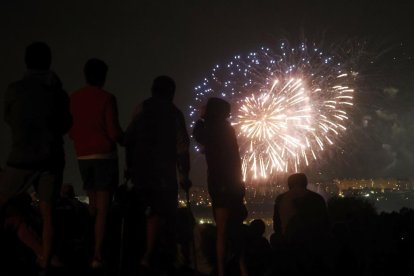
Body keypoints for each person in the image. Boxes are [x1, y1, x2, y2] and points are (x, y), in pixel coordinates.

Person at [0, 42, 72, 269]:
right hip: (50, 157)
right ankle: (46, 263)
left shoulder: (14, 89)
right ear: (49, 62)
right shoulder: (57, 92)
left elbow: (9, 118)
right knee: (48, 215)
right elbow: (66, 123)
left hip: (20, 156)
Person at [124, 75, 191, 272]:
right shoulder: (175, 113)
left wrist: (129, 166)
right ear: (171, 93)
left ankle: (140, 255)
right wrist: (184, 175)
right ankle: (159, 257)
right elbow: (182, 148)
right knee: (166, 215)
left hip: (141, 172)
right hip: (164, 175)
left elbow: (129, 139)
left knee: (143, 213)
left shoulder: (141, 108)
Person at [69, 58, 123, 268]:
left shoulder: (74, 98)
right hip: (104, 157)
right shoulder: (107, 98)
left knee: (92, 205)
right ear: (103, 76)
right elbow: (113, 131)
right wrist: (126, 140)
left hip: (82, 156)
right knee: (103, 208)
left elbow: (71, 131)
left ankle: (85, 242)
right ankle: (97, 254)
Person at [193, 97, 248, 276]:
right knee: (236, 228)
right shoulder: (227, 129)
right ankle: (242, 268)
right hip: (234, 183)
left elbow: (198, 135)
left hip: (220, 183)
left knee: (222, 230)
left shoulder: (209, 127)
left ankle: (222, 271)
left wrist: (201, 118)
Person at [272, 173, 329, 243]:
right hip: (313, 243)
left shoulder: (281, 199)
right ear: (305, 183)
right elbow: (325, 222)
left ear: (289, 184)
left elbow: (277, 223)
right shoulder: (317, 198)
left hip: (288, 242)